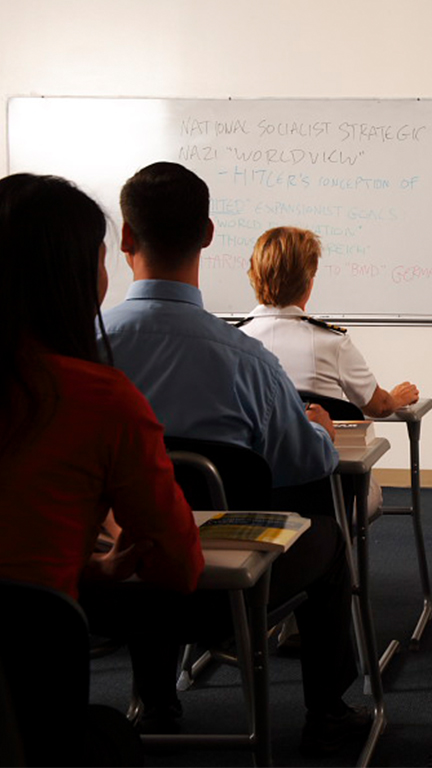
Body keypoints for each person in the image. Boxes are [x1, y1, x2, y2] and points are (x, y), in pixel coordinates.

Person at [97, 161, 367, 755]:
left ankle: (156, 700)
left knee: (145, 512)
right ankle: (326, 712)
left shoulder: (89, 349)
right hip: (225, 588)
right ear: (210, 234)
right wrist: (319, 432)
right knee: (328, 540)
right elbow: (303, 465)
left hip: (107, 584)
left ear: (124, 238)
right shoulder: (244, 360)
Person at [0, 172, 202, 766]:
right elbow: (179, 565)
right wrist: (89, 570)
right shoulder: (97, 398)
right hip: (29, 715)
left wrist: (81, 568)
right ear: (76, 273)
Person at [239, 225, 419, 418]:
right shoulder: (333, 343)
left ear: (254, 276)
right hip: (317, 448)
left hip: (250, 448)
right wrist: (397, 398)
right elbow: (379, 407)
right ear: (309, 282)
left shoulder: (233, 342)